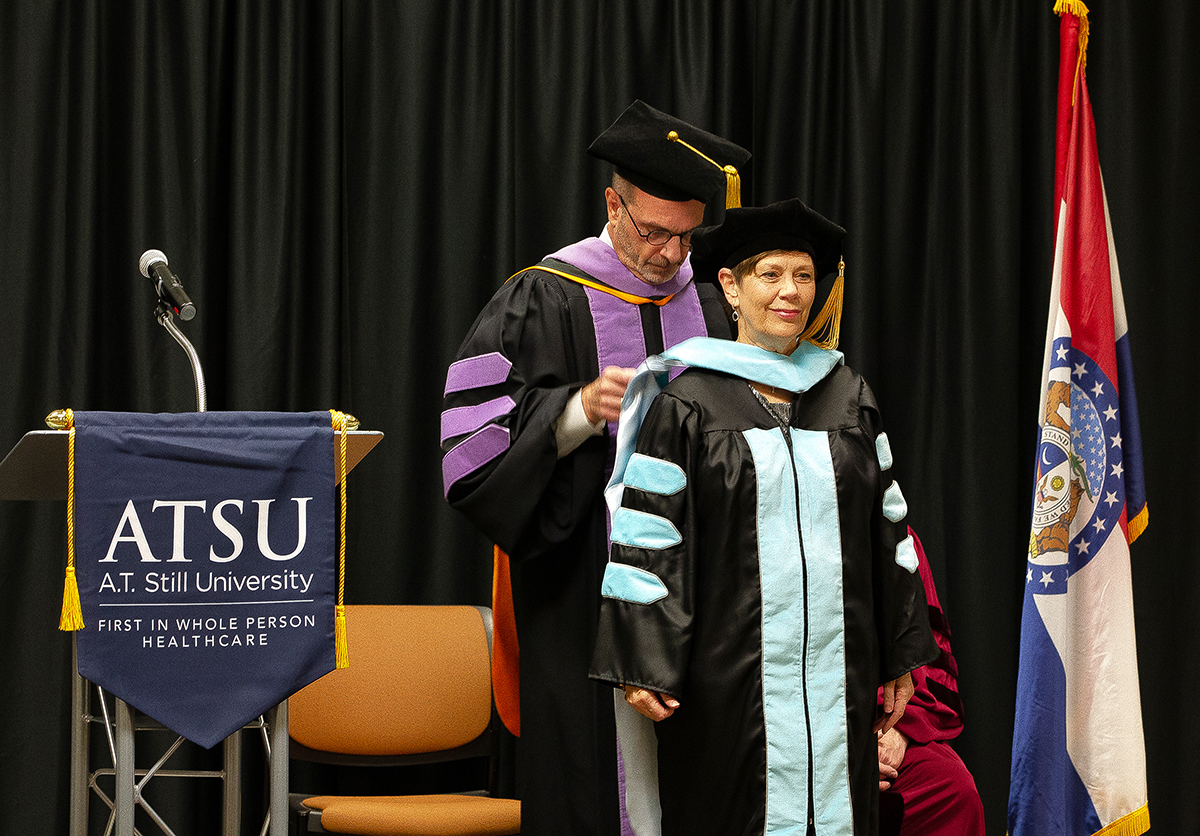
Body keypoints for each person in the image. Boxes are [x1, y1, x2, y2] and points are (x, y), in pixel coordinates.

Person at [440, 100, 750, 836]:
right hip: (583, 579)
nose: (672, 254)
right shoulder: (542, 295)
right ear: (614, 205)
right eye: (654, 232)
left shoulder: (712, 300)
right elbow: (471, 453)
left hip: (706, 584)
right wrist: (576, 410)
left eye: (687, 236)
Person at [589, 198, 939, 836]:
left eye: (803, 277)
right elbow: (648, 536)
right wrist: (643, 658)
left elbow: (887, 528)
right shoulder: (688, 402)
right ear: (731, 285)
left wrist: (899, 654)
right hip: (729, 681)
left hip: (839, 676)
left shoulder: (847, 396)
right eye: (770, 274)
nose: (790, 292)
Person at [877, 528, 985, 836]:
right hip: (799, 735)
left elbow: (928, 653)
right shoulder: (762, 530)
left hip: (884, 720)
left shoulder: (894, 535)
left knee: (953, 790)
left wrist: (899, 728)